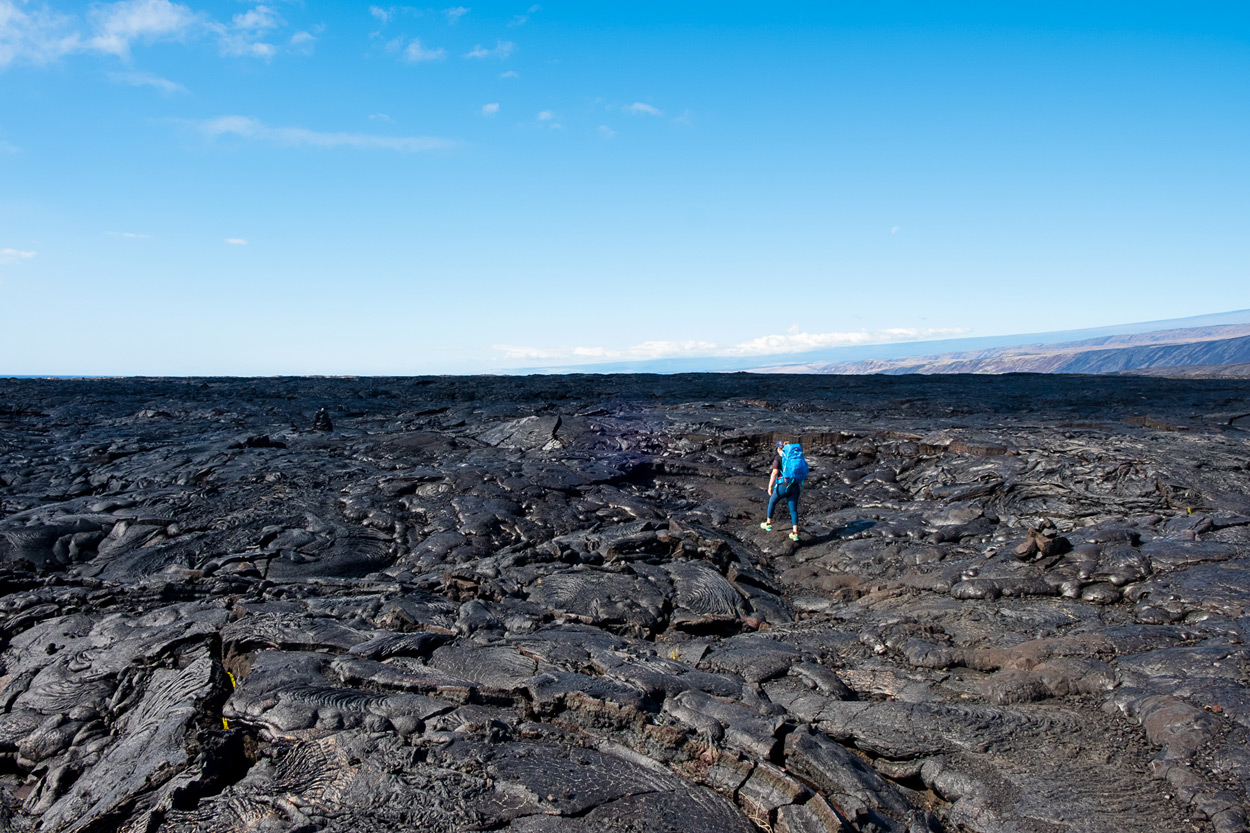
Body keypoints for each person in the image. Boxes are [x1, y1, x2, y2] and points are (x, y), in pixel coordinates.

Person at [761, 440, 801, 541]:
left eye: (778, 449)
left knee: (772, 502)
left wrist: (770, 487)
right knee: (793, 510)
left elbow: (774, 473)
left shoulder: (779, 458)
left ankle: (768, 524)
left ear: (779, 449)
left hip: (783, 486)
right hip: (795, 486)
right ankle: (795, 533)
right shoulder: (795, 458)